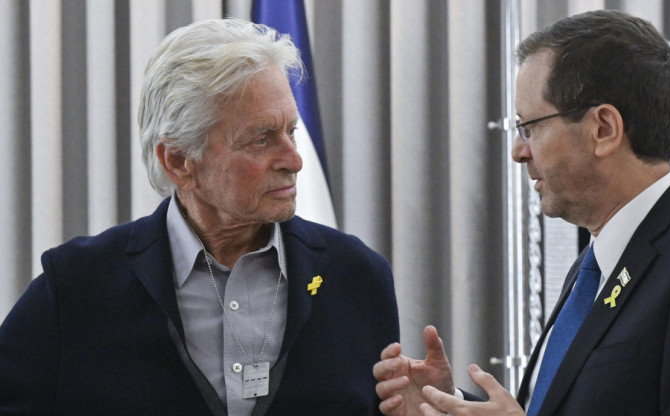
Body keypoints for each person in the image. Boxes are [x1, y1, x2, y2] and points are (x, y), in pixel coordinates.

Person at [373, 9, 670, 416]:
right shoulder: (595, 263)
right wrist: (450, 403)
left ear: (603, 130)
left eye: (531, 126)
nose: (518, 150)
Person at [0, 19, 398, 416]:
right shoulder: (76, 287)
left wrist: (445, 407)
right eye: (261, 139)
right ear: (178, 161)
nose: (294, 160)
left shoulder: (357, 276)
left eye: (290, 131)